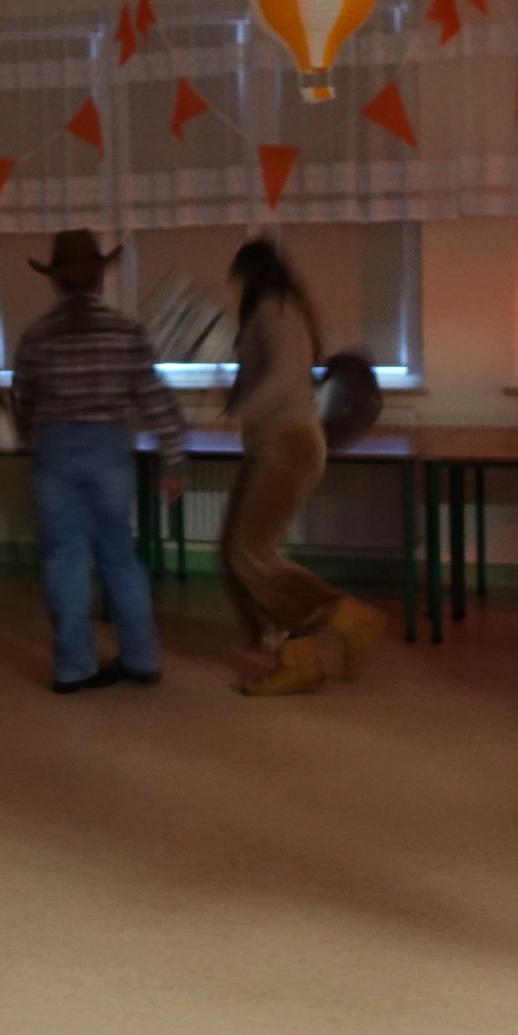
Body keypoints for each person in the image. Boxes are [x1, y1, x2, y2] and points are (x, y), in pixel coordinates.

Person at [11, 230, 186, 692]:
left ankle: (74, 668)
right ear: (100, 278)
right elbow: (155, 398)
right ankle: (141, 659)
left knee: (64, 560)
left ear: (55, 281)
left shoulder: (37, 336)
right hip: (109, 451)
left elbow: (22, 400)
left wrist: (30, 441)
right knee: (119, 556)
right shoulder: (125, 332)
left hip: (55, 452)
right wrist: (172, 460)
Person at [221, 240, 380, 697]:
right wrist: (235, 395)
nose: (236, 290)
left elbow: (284, 378)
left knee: (250, 555)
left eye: (238, 281)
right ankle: (297, 660)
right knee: (239, 554)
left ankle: (348, 618)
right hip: (277, 444)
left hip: (287, 445)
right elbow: (273, 375)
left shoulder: (274, 309)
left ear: (251, 276)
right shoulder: (278, 310)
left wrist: (241, 412)